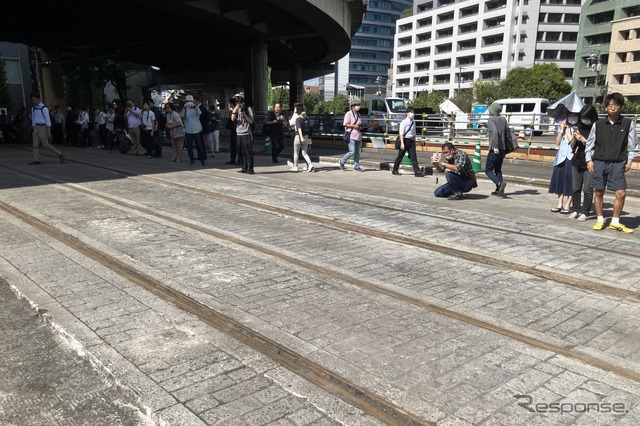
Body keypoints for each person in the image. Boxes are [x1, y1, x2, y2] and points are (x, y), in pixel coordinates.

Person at [586, 92, 639, 233]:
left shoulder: (628, 123)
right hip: (599, 161)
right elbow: (590, 144)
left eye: (616, 105)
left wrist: (629, 161)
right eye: (610, 105)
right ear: (606, 108)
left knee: (621, 193)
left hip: (618, 163)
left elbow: (634, 146)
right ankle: (600, 219)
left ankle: (615, 221)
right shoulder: (598, 124)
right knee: (599, 191)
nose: (613, 108)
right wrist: (589, 160)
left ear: (621, 107)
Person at [568, 105, 599, 222]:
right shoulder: (579, 126)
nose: (583, 120)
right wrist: (575, 139)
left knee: (587, 188)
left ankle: (585, 212)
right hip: (577, 159)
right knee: (575, 187)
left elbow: (598, 147)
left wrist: (584, 141)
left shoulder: (597, 127)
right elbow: (572, 146)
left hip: (590, 161)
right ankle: (576, 209)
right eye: (581, 117)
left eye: (586, 118)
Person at [548, 112, 576, 214]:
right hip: (560, 158)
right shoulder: (563, 129)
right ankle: (559, 203)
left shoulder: (575, 128)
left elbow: (572, 143)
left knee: (571, 182)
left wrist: (568, 130)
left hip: (571, 158)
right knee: (559, 181)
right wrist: (561, 131)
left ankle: (568, 205)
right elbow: (557, 143)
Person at [28, 92, 64, 165]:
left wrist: (48, 132)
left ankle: (59, 153)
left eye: (36, 100)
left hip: (42, 127)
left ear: (39, 99)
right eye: (33, 100)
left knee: (45, 144)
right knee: (35, 145)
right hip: (36, 127)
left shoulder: (44, 108)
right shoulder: (33, 108)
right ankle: (36, 159)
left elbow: (48, 120)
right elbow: (33, 119)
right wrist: (33, 128)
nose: (34, 102)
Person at [392, 106, 423, 177]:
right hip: (405, 140)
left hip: (411, 140)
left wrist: (414, 142)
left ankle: (417, 171)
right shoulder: (403, 122)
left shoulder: (413, 122)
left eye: (413, 112)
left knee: (413, 156)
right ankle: (395, 169)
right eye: (411, 112)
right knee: (400, 156)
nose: (412, 114)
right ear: (407, 113)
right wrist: (402, 143)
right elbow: (401, 134)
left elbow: (414, 133)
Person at [485, 102, 509, 196]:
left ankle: (499, 183)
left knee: (488, 170)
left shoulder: (491, 120)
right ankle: (499, 189)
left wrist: (495, 146)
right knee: (498, 169)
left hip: (494, 148)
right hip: (503, 148)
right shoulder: (503, 119)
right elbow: (507, 133)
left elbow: (494, 132)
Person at [230, 94, 255, 174]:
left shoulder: (248, 109)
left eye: (239, 101)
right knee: (241, 151)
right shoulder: (235, 109)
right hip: (238, 133)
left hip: (246, 133)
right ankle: (244, 167)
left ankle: (250, 168)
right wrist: (235, 111)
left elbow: (251, 121)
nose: (238, 103)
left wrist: (244, 113)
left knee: (248, 152)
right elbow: (232, 119)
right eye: (236, 101)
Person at [180, 95, 206, 166]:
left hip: (197, 130)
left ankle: (202, 160)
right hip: (188, 130)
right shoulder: (184, 109)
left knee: (199, 146)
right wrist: (184, 108)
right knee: (190, 147)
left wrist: (195, 107)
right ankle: (192, 160)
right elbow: (181, 116)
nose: (189, 103)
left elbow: (200, 113)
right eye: (188, 102)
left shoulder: (196, 108)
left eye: (191, 101)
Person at [339, 99, 364, 172]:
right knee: (352, 151)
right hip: (351, 135)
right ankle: (342, 161)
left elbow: (359, 123)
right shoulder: (348, 114)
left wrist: (360, 126)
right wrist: (354, 126)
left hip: (358, 135)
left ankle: (356, 166)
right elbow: (345, 124)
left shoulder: (359, 114)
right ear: (353, 106)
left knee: (357, 152)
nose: (358, 107)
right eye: (357, 105)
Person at [288, 102, 314, 172]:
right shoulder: (307, 118)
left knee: (296, 152)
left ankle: (295, 166)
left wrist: (301, 137)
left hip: (298, 136)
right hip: (306, 136)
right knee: (304, 153)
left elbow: (295, 126)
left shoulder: (297, 119)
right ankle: (310, 164)